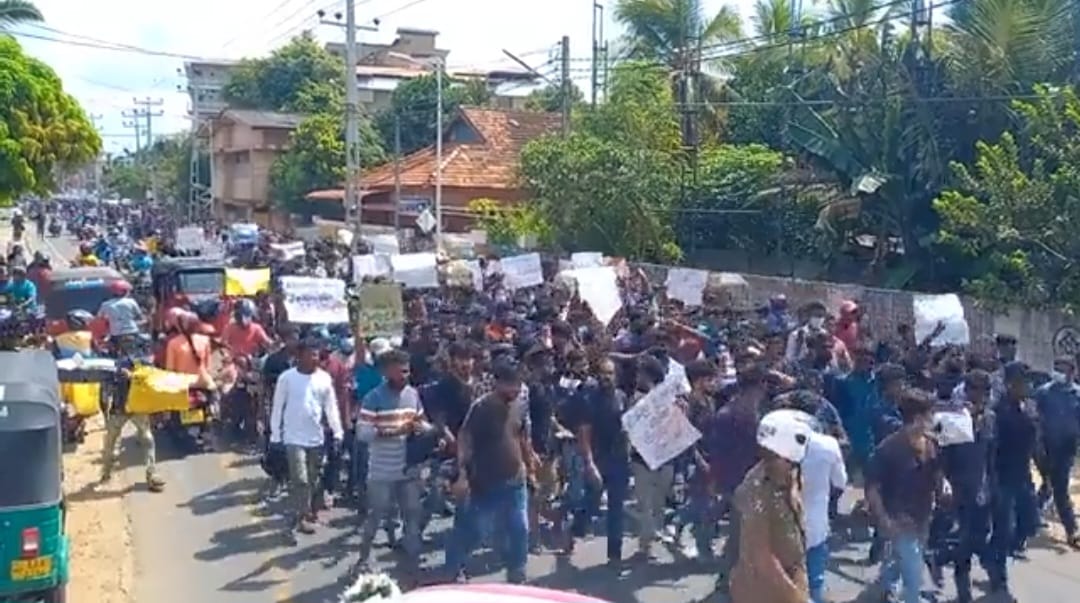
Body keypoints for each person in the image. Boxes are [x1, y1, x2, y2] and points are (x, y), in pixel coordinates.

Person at [446, 360, 533, 584]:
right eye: (509, 384)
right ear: (497, 383)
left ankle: (517, 573)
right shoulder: (481, 408)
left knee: (520, 528)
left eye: (517, 384)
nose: (514, 389)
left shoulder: (520, 404)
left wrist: (531, 465)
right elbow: (465, 439)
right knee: (475, 531)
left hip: (516, 480)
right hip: (485, 481)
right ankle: (454, 569)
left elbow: (522, 435)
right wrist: (463, 473)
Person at [866, 390, 945, 603]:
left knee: (897, 559)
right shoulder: (888, 449)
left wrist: (943, 490)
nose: (933, 419)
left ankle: (885, 588)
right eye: (930, 414)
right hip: (899, 521)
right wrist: (885, 521)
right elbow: (873, 488)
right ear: (918, 418)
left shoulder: (931, 444)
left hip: (922, 517)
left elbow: (937, 472)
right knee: (914, 575)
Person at [729, 408, 813, 603]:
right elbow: (762, 558)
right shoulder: (755, 491)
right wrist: (798, 598)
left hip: (790, 576)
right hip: (762, 589)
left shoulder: (790, 476)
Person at [354, 349, 426, 574]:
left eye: (407, 368)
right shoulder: (373, 397)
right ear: (386, 371)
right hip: (382, 469)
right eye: (399, 368)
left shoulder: (413, 394)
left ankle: (412, 563)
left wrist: (423, 429)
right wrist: (395, 432)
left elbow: (423, 422)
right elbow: (363, 433)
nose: (405, 372)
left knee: (412, 514)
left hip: (409, 469)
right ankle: (363, 559)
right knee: (376, 515)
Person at [268, 338, 343, 540]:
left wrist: (337, 433)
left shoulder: (324, 379)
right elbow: (277, 408)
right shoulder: (287, 378)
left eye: (317, 354)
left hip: (316, 438)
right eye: (311, 354)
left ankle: (301, 518)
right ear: (299, 356)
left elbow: (331, 407)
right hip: (292, 438)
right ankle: (291, 523)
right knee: (300, 480)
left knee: (310, 481)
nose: (315, 357)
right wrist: (275, 436)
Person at [101, 344, 165, 492]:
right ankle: (151, 474)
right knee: (147, 440)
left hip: (123, 409)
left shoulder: (115, 368)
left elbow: (106, 391)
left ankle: (106, 473)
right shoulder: (141, 366)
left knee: (111, 442)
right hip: (132, 409)